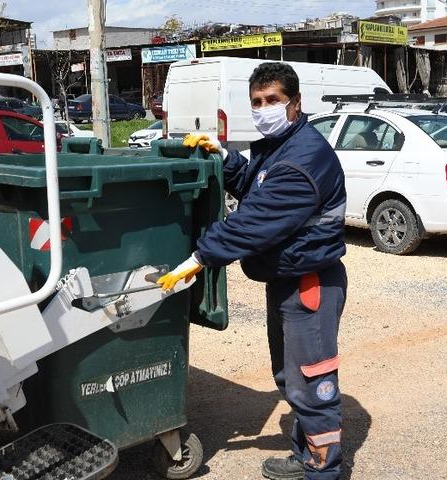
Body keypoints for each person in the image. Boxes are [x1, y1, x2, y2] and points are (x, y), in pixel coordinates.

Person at [157, 62, 348, 480]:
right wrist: (225, 157)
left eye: (273, 101)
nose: (264, 109)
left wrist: (198, 259)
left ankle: (322, 471)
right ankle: (306, 456)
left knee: (311, 384)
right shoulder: (279, 145)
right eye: (257, 102)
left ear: (295, 103)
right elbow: (255, 184)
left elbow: (255, 221)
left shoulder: (304, 159)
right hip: (287, 279)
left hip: (309, 284)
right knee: (290, 375)